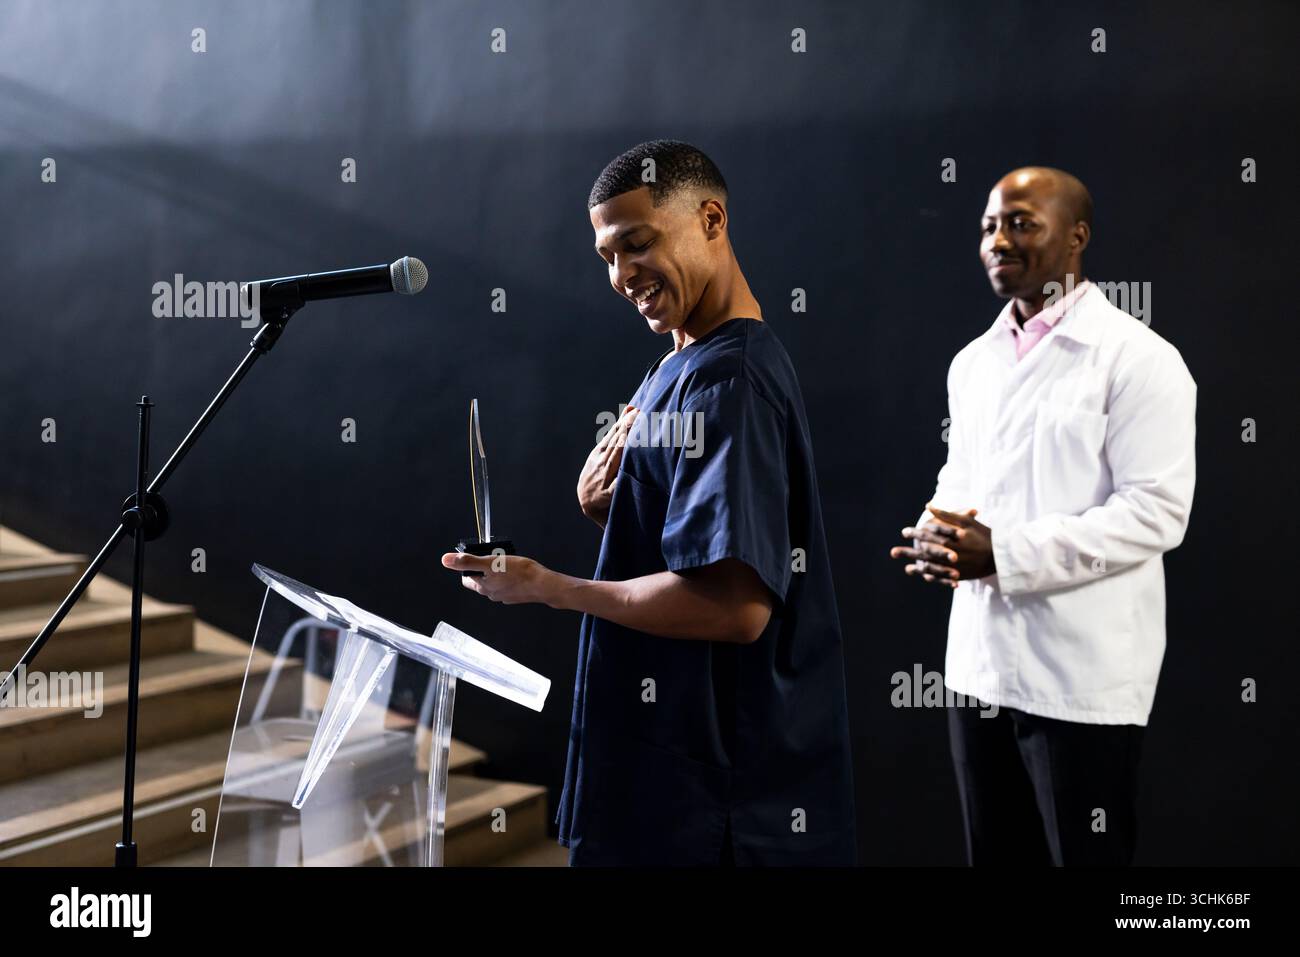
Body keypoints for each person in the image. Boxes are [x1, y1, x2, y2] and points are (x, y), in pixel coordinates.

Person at [442, 140, 855, 866]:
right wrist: (612, 505)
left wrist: (551, 587)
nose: (621, 274)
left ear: (711, 220)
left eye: (637, 244)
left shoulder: (734, 379)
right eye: (606, 256)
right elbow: (700, 536)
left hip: (715, 799)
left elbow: (734, 605)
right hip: (658, 775)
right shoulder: (677, 361)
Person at [889, 167, 1196, 865]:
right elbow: (962, 476)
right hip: (979, 667)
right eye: (988, 226)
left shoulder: (1139, 360)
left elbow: (1157, 512)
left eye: (1021, 222)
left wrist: (1005, 553)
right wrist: (937, 530)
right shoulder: (973, 364)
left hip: (1081, 676)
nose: (998, 240)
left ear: (1077, 236)